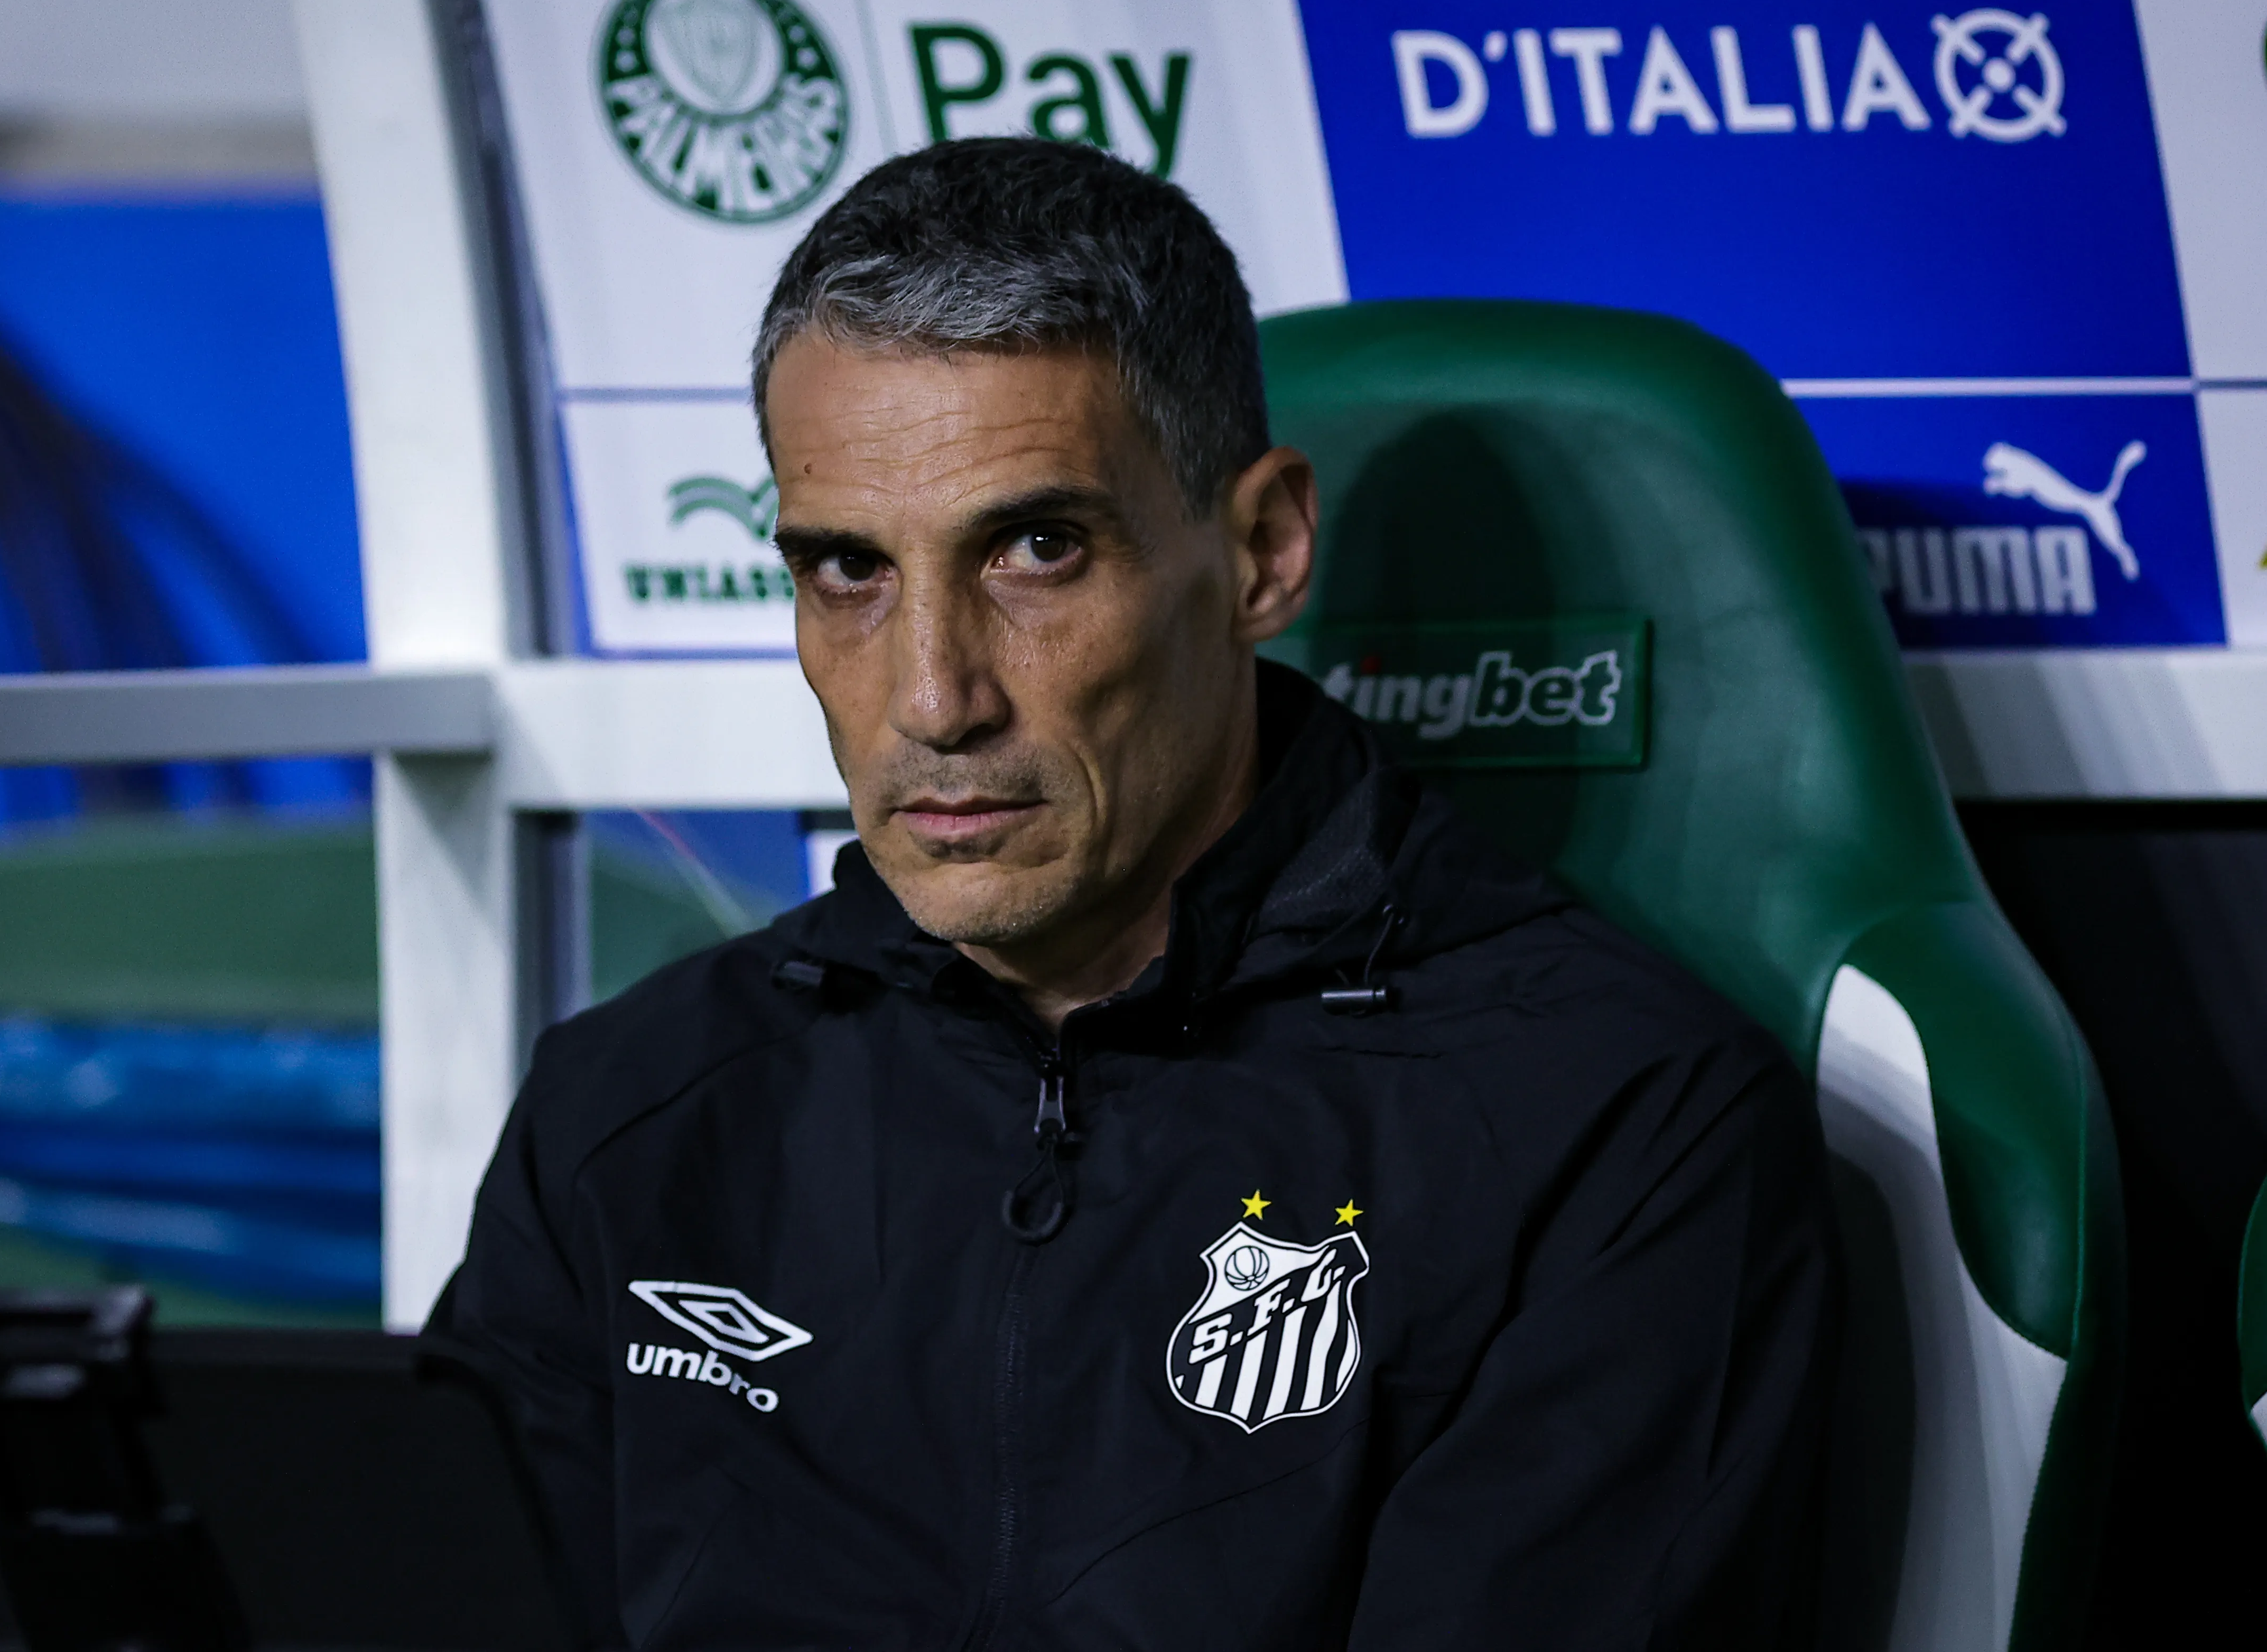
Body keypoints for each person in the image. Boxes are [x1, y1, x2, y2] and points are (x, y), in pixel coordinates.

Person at [433, 137, 1837, 1649]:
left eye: (1037, 551)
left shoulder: (1619, 1127)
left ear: (1260, 552)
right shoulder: (632, 1108)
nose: (932, 698)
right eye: (847, 569)